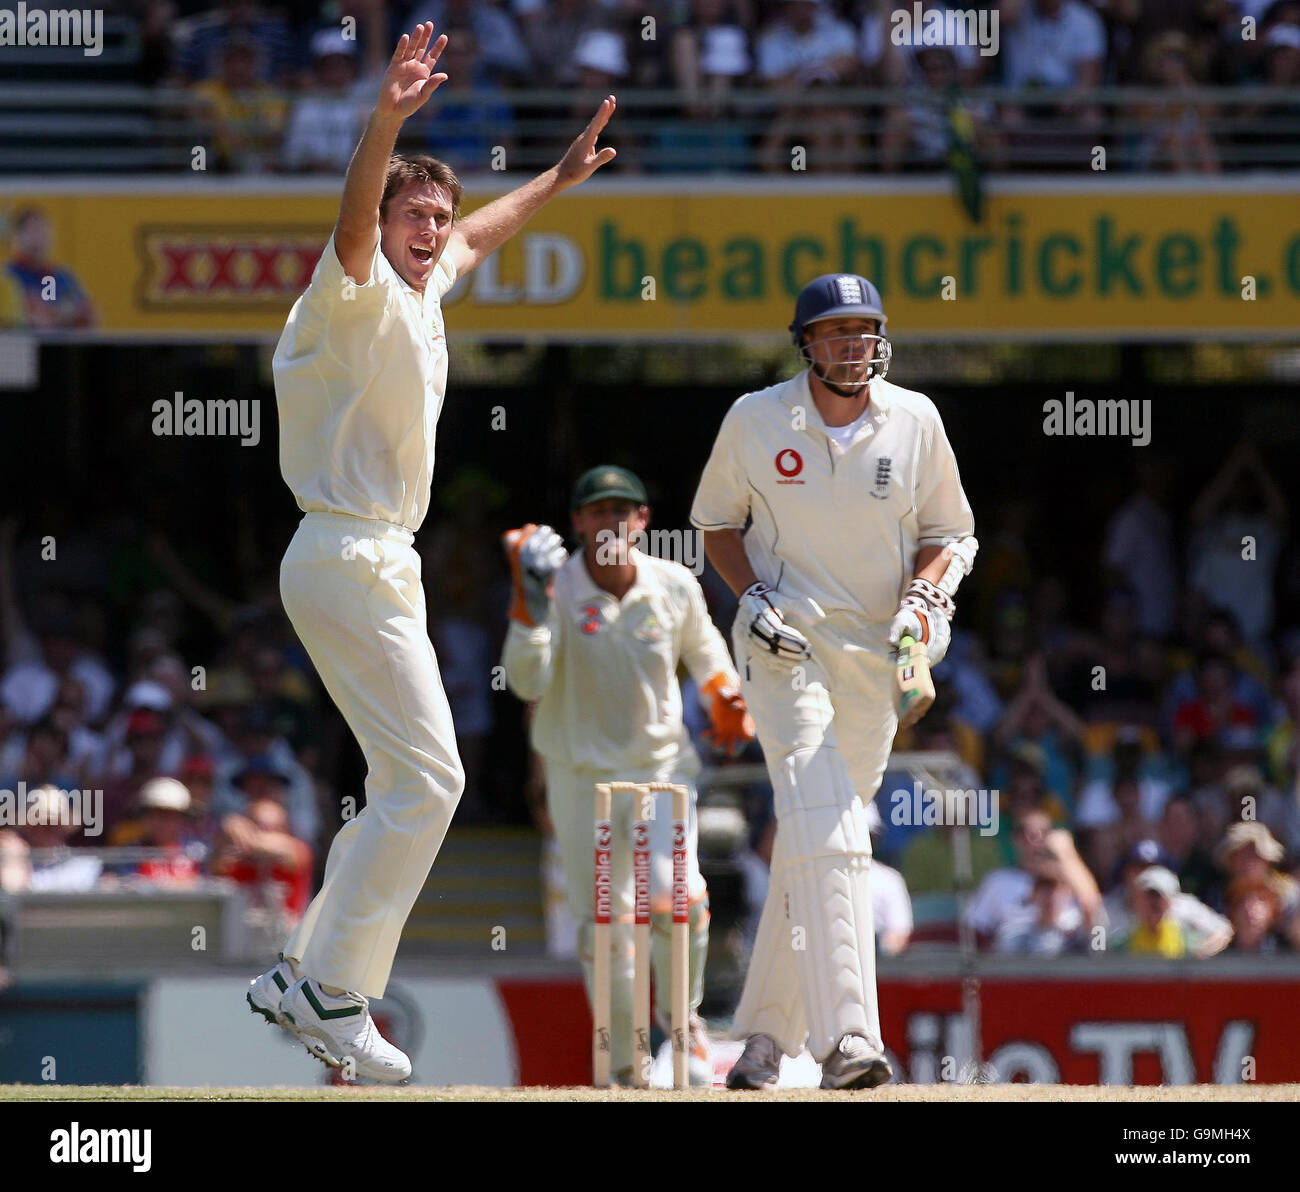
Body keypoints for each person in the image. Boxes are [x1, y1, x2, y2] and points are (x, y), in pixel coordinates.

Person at [246, 21, 617, 1083]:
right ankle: (333, 991)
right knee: (432, 778)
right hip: (348, 549)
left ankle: (300, 971)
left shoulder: (419, 287)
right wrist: (385, 121)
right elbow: (360, 215)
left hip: (369, 559)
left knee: (405, 777)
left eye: (437, 214)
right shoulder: (349, 287)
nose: (433, 230)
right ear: (380, 219)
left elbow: (477, 239)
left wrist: (553, 176)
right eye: (416, 213)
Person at [691, 273, 977, 1090]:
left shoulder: (915, 417)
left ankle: (762, 1044)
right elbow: (715, 524)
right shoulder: (755, 418)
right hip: (784, 647)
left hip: (876, 657)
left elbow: (951, 530)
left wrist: (923, 599)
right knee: (835, 831)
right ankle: (849, 1039)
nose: (854, 344)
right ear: (805, 343)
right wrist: (750, 595)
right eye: (837, 331)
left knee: (816, 845)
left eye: (866, 329)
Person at [500, 465, 753, 1085]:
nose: (612, 519)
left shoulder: (672, 584)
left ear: (643, 520)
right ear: (579, 521)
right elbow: (525, 681)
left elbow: (707, 653)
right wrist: (527, 604)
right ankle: (623, 1057)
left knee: (680, 900)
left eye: (625, 509)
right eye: (598, 509)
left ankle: (686, 1023)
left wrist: (726, 696)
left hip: (661, 767)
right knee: (608, 917)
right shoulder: (554, 586)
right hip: (579, 773)